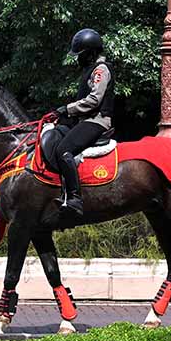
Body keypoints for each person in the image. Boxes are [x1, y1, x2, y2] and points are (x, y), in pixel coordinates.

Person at [47, 28, 116, 217]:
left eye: (81, 55)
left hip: (98, 121)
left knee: (63, 150)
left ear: (92, 53)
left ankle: (75, 198)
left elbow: (94, 100)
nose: (78, 59)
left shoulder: (101, 70)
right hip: (84, 119)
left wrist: (66, 109)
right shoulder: (90, 70)